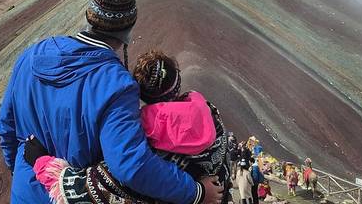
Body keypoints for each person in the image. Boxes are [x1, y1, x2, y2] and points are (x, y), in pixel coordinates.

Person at [0, 0, 222, 204]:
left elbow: (6, 128)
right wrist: (196, 193)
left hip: (25, 192)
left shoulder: (31, 55)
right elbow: (130, 165)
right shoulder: (117, 86)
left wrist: (24, 175)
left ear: (88, 16)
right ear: (128, 31)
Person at [24, 50, 231, 204]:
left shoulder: (142, 150)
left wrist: (40, 160)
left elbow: (82, 189)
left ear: (143, 95)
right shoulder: (211, 115)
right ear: (177, 84)